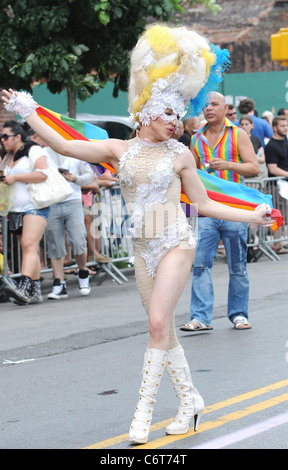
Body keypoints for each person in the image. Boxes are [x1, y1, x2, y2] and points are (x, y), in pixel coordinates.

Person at [2, 24, 270, 445]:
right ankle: (190, 402)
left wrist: (251, 215)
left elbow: (200, 203)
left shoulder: (181, 154)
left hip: (176, 242)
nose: (175, 122)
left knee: (158, 323)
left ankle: (141, 416)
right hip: (141, 247)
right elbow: (67, 146)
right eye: (167, 114)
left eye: (179, 116)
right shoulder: (117, 150)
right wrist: (28, 109)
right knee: (163, 329)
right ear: (146, 112)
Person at [181, 92, 260, 334]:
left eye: (214, 104)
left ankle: (239, 314)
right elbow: (190, 174)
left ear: (225, 108)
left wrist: (228, 165)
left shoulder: (238, 134)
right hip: (205, 211)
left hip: (234, 211)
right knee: (200, 265)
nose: (209, 109)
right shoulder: (195, 138)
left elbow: (254, 168)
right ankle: (200, 317)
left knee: (237, 265)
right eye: (205, 106)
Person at [0, 120, 49, 304]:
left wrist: (15, 177)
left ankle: (23, 286)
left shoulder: (34, 150)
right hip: (15, 209)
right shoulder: (7, 157)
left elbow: (43, 174)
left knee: (29, 244)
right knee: (29, 248)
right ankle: (35, 292)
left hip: (35, 205)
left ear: (18, 136)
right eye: (1, 137)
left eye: (6, 136)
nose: (3, 140)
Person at [264, 116, 288, 254]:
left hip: (284, 184)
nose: (285, 128)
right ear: (274, 128)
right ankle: (276, 245)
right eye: (282, 126)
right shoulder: (271, 146)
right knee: (277, 216)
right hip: (275, 185)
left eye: (286, 125)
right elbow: (272, 168)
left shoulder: (285, 140)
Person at [239, 115, 267, 180]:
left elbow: (262, 159)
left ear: (251, 125)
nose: (244, 127)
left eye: (246, 124)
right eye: (242, 124)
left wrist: (253, 158)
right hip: (241, 176)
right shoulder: (235, 139)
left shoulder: (256, 140)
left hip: (255, 177)